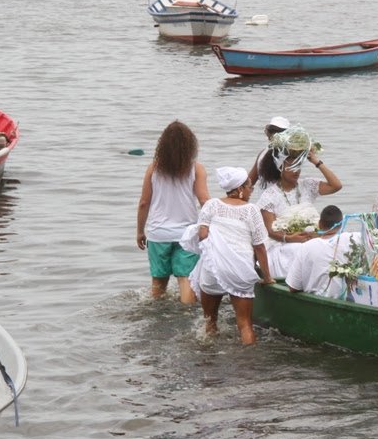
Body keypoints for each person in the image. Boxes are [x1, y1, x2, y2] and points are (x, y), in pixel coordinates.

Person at [190, 166, 275, 345]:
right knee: (244, 324)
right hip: (240, 269)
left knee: (210, 321)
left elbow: (203, 235)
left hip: (213, 267)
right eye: (249, 187)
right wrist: (267, 277)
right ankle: (247, 366)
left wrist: (220, 247)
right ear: (240, 189)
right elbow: (259, 247)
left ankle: (208, 360)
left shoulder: (212, 204)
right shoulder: (251, 210)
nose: (251, 191)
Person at [136, 120, 210, 304]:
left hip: (158, 234)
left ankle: (157, 317)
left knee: (158, 281)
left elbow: (144, 203)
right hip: (186, 233)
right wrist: (209, 227)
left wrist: (139, 231)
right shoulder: (196, 169)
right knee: (185, 278)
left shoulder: (153, 168)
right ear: (190, 145)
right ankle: (186, 316)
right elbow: (204, 201)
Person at [255, 133, 342, 276]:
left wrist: (316, 162)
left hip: (312, 238)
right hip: (285, 244)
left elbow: (336, 185)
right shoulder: (269, 195)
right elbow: (270, 231)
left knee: (335, 245)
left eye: (299, 166)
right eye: (292, 167)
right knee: (300, 250)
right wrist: (290, 238)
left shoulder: (307, 185)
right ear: (280, 168)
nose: (297, 171)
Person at [286, 205, 361, 298]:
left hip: (315, 302)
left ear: (319, 224)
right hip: (347, 300)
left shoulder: (306, 246)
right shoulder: (354, 238)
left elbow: (293, 287)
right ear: (342, 224)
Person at [248, 116, 289, 186]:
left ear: (268, 134)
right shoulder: (291, 155)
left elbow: (249, 182)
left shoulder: (263, 153)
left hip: (263, 196)